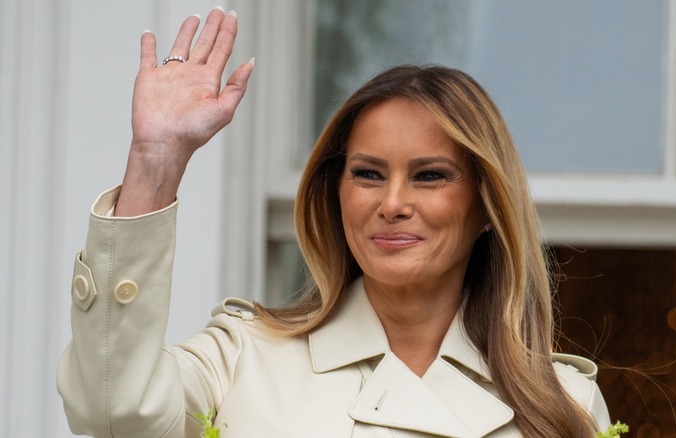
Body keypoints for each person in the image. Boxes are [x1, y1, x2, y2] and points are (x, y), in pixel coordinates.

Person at [58, 7, 610, 437]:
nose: (392, 202)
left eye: (430, 176)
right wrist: (155, 163)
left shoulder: (563, 403)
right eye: (368, 174)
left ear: (487, 205)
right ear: (335, 193)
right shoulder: (242, 359)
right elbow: (110, 407)